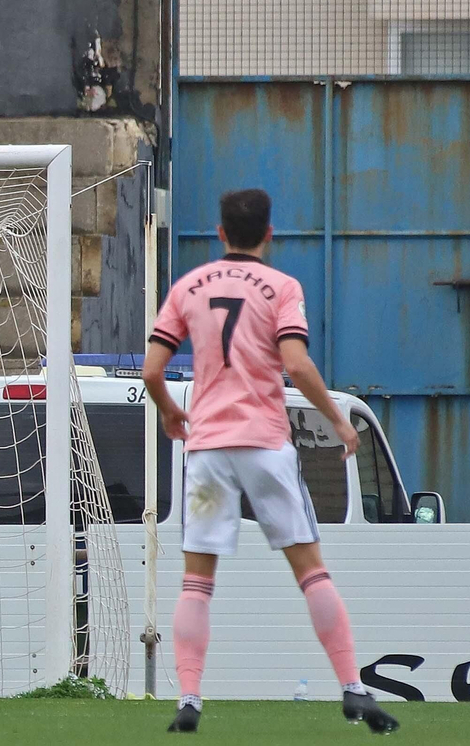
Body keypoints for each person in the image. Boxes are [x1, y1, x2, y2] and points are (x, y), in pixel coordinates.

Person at [142, 189, 399, 734]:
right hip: (265, 446)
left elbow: (151, 369)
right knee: (312, 572)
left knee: (196, 583)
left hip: (208, 453)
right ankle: (353, 688)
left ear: (219, 233)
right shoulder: (282, 287)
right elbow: (297, 364)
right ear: (269, 233)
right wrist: (335, 418)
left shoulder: (188, 286)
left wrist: (170, 412)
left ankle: (189, 698)